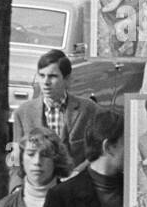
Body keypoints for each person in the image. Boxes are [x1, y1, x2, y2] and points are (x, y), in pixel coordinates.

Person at [9, 50, 100, 189]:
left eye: (52, 76)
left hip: (76, 190)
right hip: (38, 189)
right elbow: (16, 161)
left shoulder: (88, 109)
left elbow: (98, 152)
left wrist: (77, 173)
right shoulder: (23, 113)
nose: (45, 82)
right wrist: (16, 188)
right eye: (41, 75)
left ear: (67, 79)